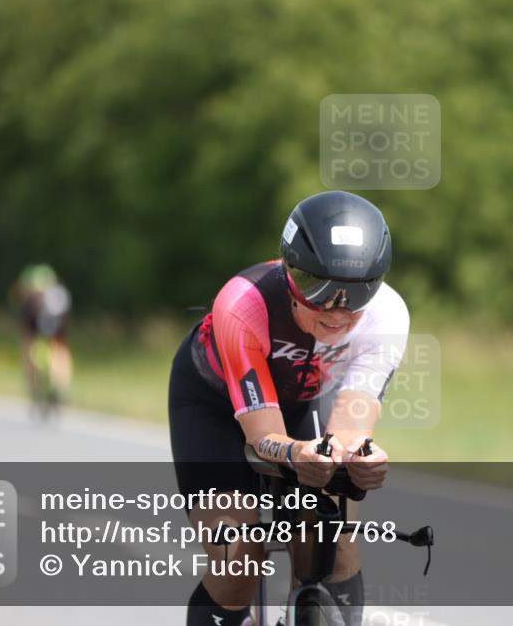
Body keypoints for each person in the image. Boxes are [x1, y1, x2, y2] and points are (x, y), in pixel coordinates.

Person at [169, 191, 409, 626]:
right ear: (289, 271)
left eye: (358, 292)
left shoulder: (387, 315)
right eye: (318, 287)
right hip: (213, 405)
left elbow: (350, 427)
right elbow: (263, 437)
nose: (337, 310)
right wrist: (299, 454)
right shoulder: (243, 303)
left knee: (335, 548)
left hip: (301, 403)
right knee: (239, 559)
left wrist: (358, 456)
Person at [10, 264, 73, 407]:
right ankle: (61, 384)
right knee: (60, 350)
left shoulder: (30, 300)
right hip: (56, 325)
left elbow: (25, 328)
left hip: (38, 325)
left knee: (28, 350)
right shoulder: (59, 294)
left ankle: (34, 386)